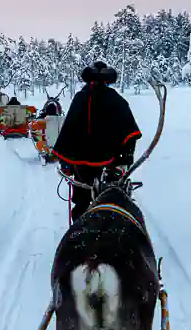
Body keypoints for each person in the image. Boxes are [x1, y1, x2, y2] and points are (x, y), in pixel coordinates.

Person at [51, 62, 141, 221]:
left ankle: (79, 227)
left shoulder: (80, 98)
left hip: (81, 165)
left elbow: (68, 131)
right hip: (110, 164)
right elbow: (130, 132)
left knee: (81, 202)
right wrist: (125, 158)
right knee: (111, 200)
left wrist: (66, 162)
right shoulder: (116, 99)